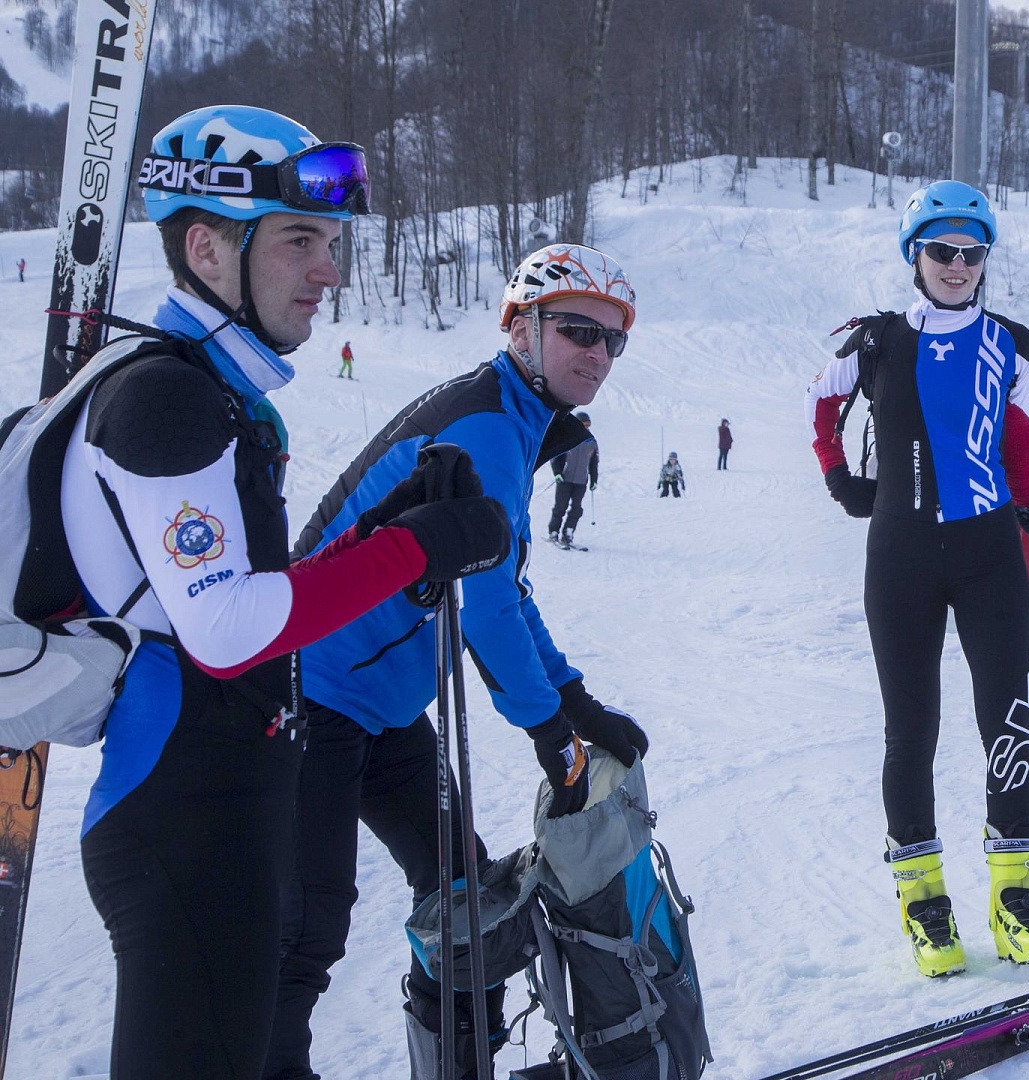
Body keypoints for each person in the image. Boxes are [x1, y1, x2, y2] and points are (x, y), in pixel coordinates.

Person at [52, 104, 511, 1080]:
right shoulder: (167, 398)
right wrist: (410, 548)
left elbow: (235, 594)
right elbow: (227, 632)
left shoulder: (216, 396)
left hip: (227, 813)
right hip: (181, 829)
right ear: (208, 244)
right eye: (302, 238)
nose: (329, 271)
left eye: (332, 241)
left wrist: (391, 536)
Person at [270, 243, 649, 1080]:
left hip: (388, 709)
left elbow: (504, 585)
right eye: (577, 329)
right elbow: (487, 613)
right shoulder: (485, 424)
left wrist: (573, 699)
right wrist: (549, 729)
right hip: (312, 694)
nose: (596, 352)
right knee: (307, 923)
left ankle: (456, 1064)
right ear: (521, 329)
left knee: (463, 894)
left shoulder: (513, 420)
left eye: (611, 339)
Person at [805, 179, 1029, 978]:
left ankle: (1016, 898)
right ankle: (924, 903)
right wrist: (838, 477)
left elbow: (1021, 430)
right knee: (912, 731)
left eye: (972, 252)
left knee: (1012, 720)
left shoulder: (1011, 341)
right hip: (899, 555)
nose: (957, 265)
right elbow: (816, 407)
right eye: (942, 251)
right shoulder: (874, 341)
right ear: (915, 257)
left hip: (989, 552)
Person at [548, 409, 597, 547]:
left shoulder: (591, 441)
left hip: (581, 481)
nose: (585, 428)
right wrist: (557, 472)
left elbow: (594, 462)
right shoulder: (568, 438)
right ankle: (553, 531)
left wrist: (594, 479)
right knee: (560, 507)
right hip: (565, 479)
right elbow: (555, 456)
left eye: (588, 425)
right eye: (583, 425)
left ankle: (568, 532)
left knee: (576, 509)